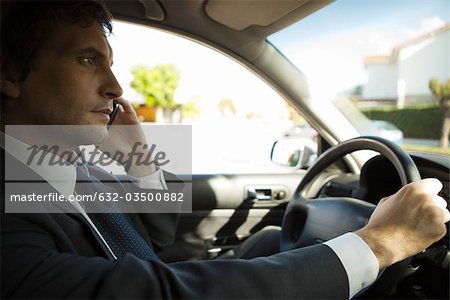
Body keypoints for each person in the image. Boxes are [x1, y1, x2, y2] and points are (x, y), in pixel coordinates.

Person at [1, 1, 449, 299]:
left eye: (110, 64)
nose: (116, 87)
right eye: (87, 59)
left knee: (271, 239)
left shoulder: (63, 171)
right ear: (10, 74)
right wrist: (379, 243)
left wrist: (138, 158)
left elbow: (151, 242)